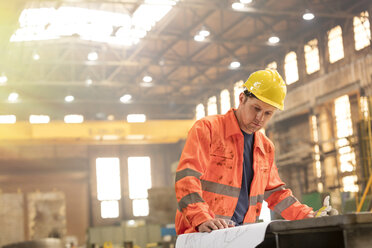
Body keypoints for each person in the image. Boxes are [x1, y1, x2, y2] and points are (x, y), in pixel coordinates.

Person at [174, 69, 315, 235]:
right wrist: (201, 218)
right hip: (202, 233)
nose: (260, 118)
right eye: (256, 108)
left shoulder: (266, 147)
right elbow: (187, 178)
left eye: (268, 113)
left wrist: (309, 216)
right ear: (242, 98)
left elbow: (276, 194)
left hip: (240, 236)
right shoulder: (208, 129)